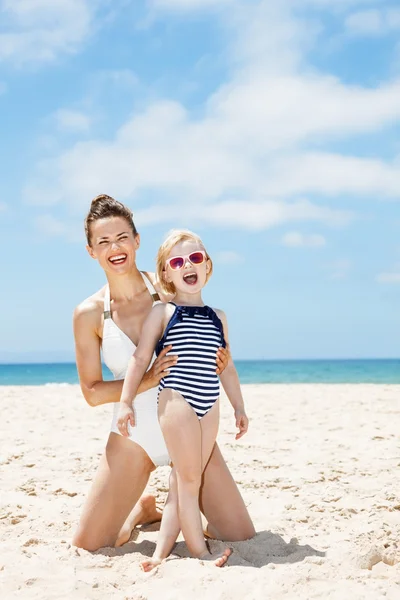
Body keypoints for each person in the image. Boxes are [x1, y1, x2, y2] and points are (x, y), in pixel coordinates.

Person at [72, 194, 255, 551]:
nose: (116, 248)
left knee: (240, 534)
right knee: (89, 545)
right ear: (91, 250)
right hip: (133, 437)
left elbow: (206, 330)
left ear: (137, 240)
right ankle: (140, 512)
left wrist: (221, 362)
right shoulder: (90, 312)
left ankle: (180, 509)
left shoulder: (168, 282)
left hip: (189, 429)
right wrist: (149, 378)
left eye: (123, 237)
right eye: (104, 241)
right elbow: (92, 392)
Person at [117, 229, 249, 569]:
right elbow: (139, 358)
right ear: (167, 273)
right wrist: (125, 401)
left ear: (207, 265)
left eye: (195, 257)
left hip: (210, 402)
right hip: (177, 400)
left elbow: (227, 367)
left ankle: (160, 554)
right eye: (177, 261)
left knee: (184, 480)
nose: (187, 265)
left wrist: (239, 406)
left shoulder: (218, 317)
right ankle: (200, 553)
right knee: (190, 480)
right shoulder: (163, 312)